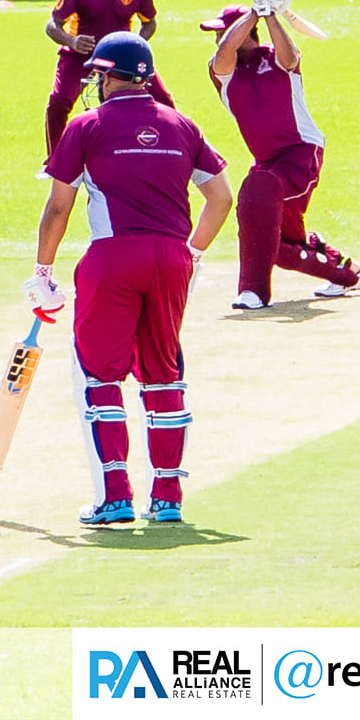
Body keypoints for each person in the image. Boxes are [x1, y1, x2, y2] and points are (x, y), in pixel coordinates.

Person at [25, 32, 232, 527]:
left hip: (112, 258)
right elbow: (222, 198)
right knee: (164, 374)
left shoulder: (87, 126)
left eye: (101, 73)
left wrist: (43, 272)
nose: (97, 81)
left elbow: (59, 206)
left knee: (98, 376)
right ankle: (168, 499)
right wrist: (193, 253)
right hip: (171, 259)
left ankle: (114, 496)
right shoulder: (182, 125)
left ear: (119, 77)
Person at [203, 0, 360, 310]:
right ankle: (345, 270)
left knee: (254, 203)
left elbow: (290, 56)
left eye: (223, 31)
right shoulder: (224, 72)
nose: (218, 38)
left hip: (301, 153)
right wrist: (255, 11)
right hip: (266, 162)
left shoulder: (276, 59)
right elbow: (224, 54)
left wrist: (271, 15)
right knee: (276, 243)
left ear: (252, 33)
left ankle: (254, 291)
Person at [43, 0, 174, 157]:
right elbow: (52, 24)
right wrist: (71, 41)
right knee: (59, 102)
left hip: (122, 56)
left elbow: (150, 22)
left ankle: (173, 148)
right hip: (81, 54)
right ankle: (56, 159)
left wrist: (135, 45)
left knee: (164, 100)